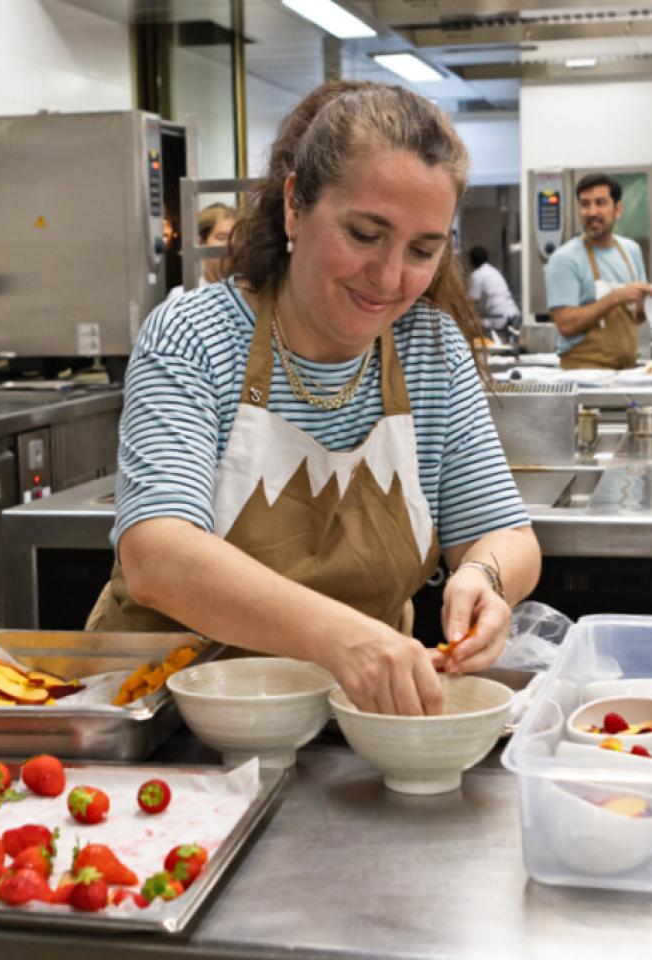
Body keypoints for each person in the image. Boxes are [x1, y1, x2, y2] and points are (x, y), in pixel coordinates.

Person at [88, 81, 540, 717]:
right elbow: (157, 554)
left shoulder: (430, 348)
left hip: (351, 729)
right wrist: (341, 638)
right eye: (363, 234)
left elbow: (506, 533)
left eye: (422, 250)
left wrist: (482, 577)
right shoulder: (197, 335)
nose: (388, 279)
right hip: (166, 722)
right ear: (296, 205)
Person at [543, 173, 652, 369]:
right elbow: (566, 325)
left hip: (627, 371)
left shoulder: (631, 251)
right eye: (585, 204)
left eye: (600, 202)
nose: (592, 211)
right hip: (583, 375)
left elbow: (638, 317)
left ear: (617, 209)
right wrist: (617, 297)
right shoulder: (565, 258)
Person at [166, 203, 239, 301]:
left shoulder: (248, 294)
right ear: (200, 243)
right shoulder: (180, 296)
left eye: (237, 238)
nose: (231, 245)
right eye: (222, 237)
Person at [466, 246, 518, 340]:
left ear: (471, 261)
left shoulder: (477, 275)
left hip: (498, 317)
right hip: (512, 313)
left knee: (468, 324)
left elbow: (472, 304)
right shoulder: (493, 271)